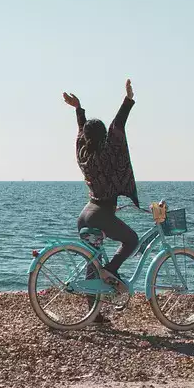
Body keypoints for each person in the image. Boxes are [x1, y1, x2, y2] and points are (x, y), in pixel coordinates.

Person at [63, 79, 140, 292]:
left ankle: (92, 311)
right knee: (132, 240)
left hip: (86, 213)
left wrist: (79, 109)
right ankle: (111, 270)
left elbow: (81, 132)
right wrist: (128, 100)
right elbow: (118, 125)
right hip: (101, 213)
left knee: (92, 260)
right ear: (104, 136)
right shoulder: (106, 155)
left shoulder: (83, 154)